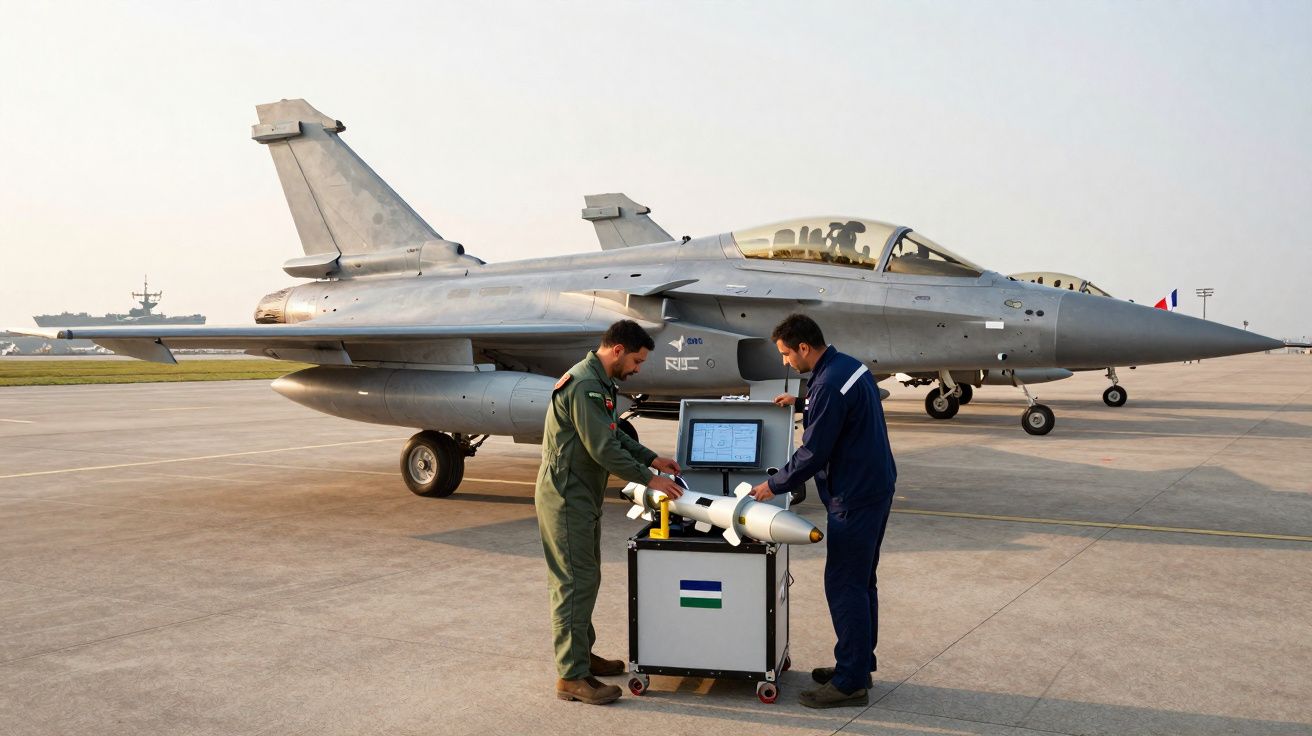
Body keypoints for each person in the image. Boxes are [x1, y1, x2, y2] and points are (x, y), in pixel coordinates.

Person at [749, 313, 896, 709]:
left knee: (845, 584)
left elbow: (814, 452)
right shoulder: (846, 367)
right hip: (874, 486)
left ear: (803, 348)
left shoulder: (829, 383)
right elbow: (837, 407)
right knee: (862, 582)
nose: (784, 362)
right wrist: (801, 402)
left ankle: (850, 683)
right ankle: (857, 663)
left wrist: (773, 484)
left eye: (785, 354)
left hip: (854, 495)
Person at [535, 319, 684, 705]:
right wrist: (649, 479)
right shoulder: (585, 384)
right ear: (617, 350)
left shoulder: (597, 382)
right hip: (566, 498)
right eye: (636, 360)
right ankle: (571, 676)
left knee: (586, 578)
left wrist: (652, 458)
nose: (637, 369)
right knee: (573, 583)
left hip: (580, 495)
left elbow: (614, 433)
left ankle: (582, 656)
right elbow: (602, 448)